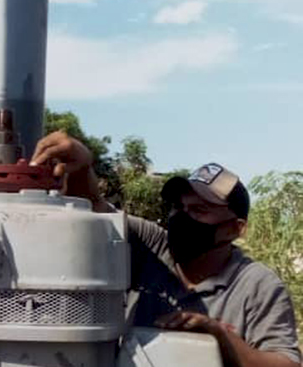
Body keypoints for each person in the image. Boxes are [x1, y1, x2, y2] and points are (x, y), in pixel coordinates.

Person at [30, 131, 301, 367]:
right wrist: (80, 167)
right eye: (178, 207)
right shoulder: (153, 246)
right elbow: (94, 210)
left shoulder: (258, 286)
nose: (183, 218)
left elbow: (285, 363)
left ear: (235, 228)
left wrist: (218, 336)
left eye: (198, 210)